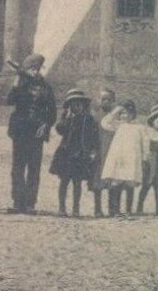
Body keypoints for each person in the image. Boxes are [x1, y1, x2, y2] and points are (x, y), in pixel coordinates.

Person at [5, 53, 56, 213]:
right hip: (20, 131)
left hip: (37, 132)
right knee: (18, 168)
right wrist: (16, 82)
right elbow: (9, 101)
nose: (35, 72)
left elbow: (52, 111)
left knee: (34, 168)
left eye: (37, 69)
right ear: (26, 69)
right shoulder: (21, 85)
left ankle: (30, 203)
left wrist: (46, 125)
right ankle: (17, 202)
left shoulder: (46, 87)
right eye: (32, 69)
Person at [49, 88, 100, 217]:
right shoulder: (67, 119)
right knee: (64, 181)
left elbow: (94, 137)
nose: (77, 106)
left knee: (77, 183)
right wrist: (65, 118)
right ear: (69, 106)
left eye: (79, 103)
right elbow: (60, 130)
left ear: (84, 105)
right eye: (73, 104)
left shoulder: (88, 119)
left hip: (81, 154)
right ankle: (62, 207)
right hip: (66, 153)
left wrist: (93, 150)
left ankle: (76, 208)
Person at [99, 100, 146, 218]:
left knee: (130, 183)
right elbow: (105, 122)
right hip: (119, 159)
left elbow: (145, 143)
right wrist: (116, 111)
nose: (124, 116)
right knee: (117, 183)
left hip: (132, 158)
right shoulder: (118, 125)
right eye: (122, 113)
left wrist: (145, 157)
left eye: (126, 113)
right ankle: (115, 210)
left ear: (133, 113)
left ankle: (128, 210)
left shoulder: (139, 127)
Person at [89, 88, 118, 218]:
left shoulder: (116, 117)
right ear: (98, 100)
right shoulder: (94, 116)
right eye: (103, 99)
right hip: (99, 151)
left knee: (113, 180)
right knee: (97, 180)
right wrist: (92, 150)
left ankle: (112, 208)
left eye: (109, 100)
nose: (106, 102)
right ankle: (97, 208)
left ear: (113, 102)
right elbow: (90, 135)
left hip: (113, 152)